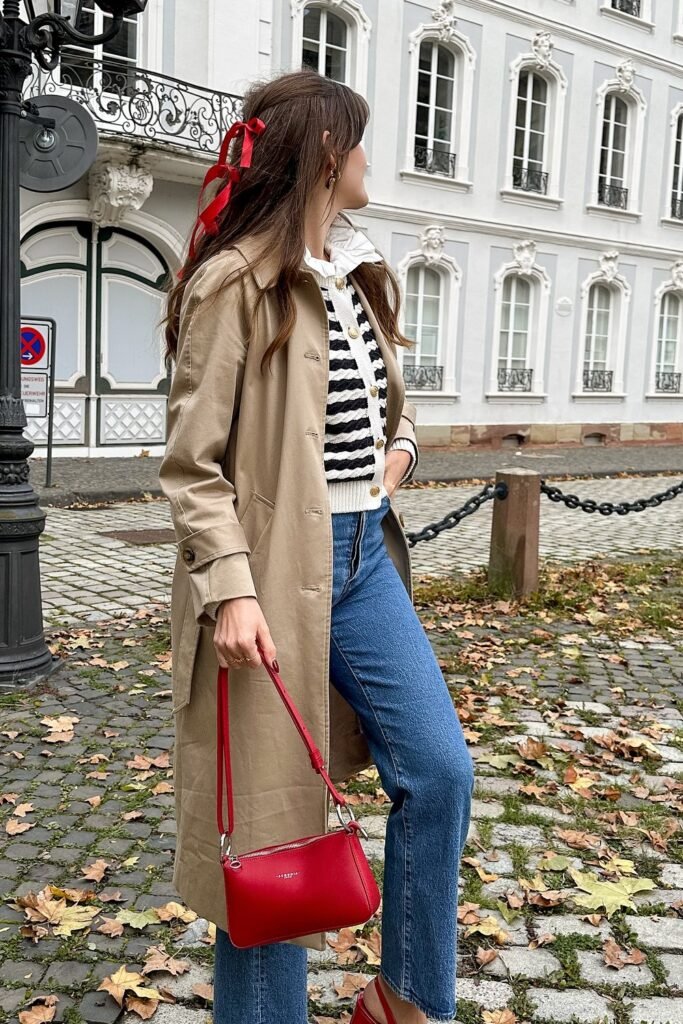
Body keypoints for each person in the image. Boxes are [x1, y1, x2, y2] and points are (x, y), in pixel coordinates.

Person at [159, 67, 474, 1024]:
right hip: (265, 576)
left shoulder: (352, 268)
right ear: (326, 159)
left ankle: (406, 998)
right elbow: (189, 464)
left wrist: (403, 448)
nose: (375, 158)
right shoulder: (233, 284)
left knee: (439, 769)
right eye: (361, 141)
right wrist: (230, 588)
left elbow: (386, 402)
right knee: (273, 829)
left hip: (362, 560)